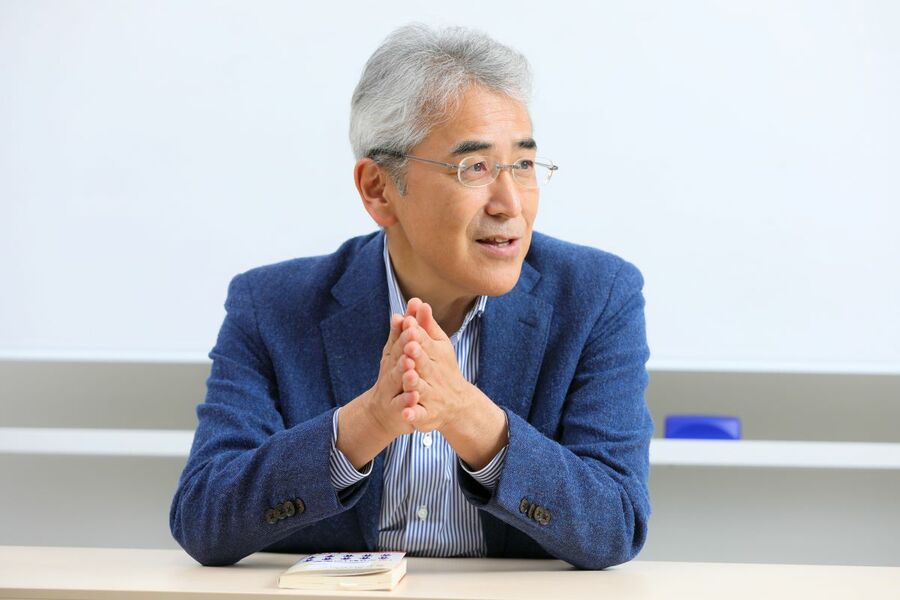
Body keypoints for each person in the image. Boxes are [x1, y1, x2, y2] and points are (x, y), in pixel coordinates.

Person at [169, 23, 653, 571]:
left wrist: (467, 415)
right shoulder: (272, 306)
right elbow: (203, 520)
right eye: (475, 167)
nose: (510, 203)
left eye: (522, 165)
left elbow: (616, 524)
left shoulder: (596, 296)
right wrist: (368, 422)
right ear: (378, 189)